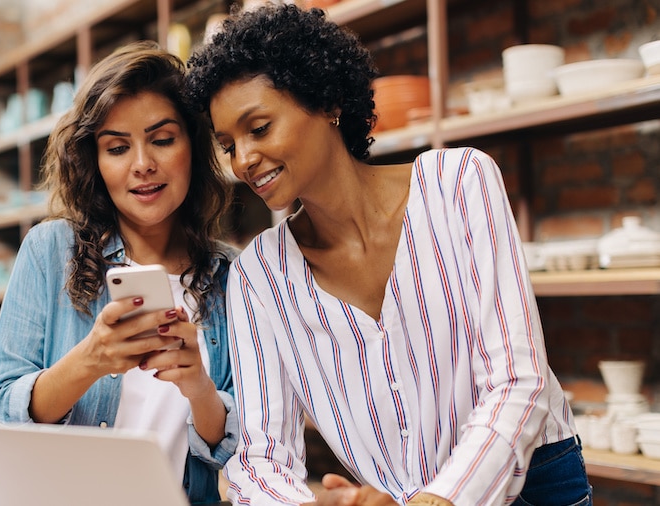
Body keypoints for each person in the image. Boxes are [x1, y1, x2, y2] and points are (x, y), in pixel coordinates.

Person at [185, 5, 591, 506]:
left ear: (328, 101)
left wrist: (441, 498)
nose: (242, 159)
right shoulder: (258, 276)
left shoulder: (458, 183)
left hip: (528, 482)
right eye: (227, 145)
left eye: (260, 128)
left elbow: (517, 378)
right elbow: (263, 454)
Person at [0, 41, 239, 504]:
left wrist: (199, 386)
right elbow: (2, 410)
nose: (142, 164)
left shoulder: (233, 277)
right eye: (118, 148)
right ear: (95, 163)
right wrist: (90, 361)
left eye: (162, 139)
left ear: (193, 146)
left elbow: (244, 446)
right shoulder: (49, 251)